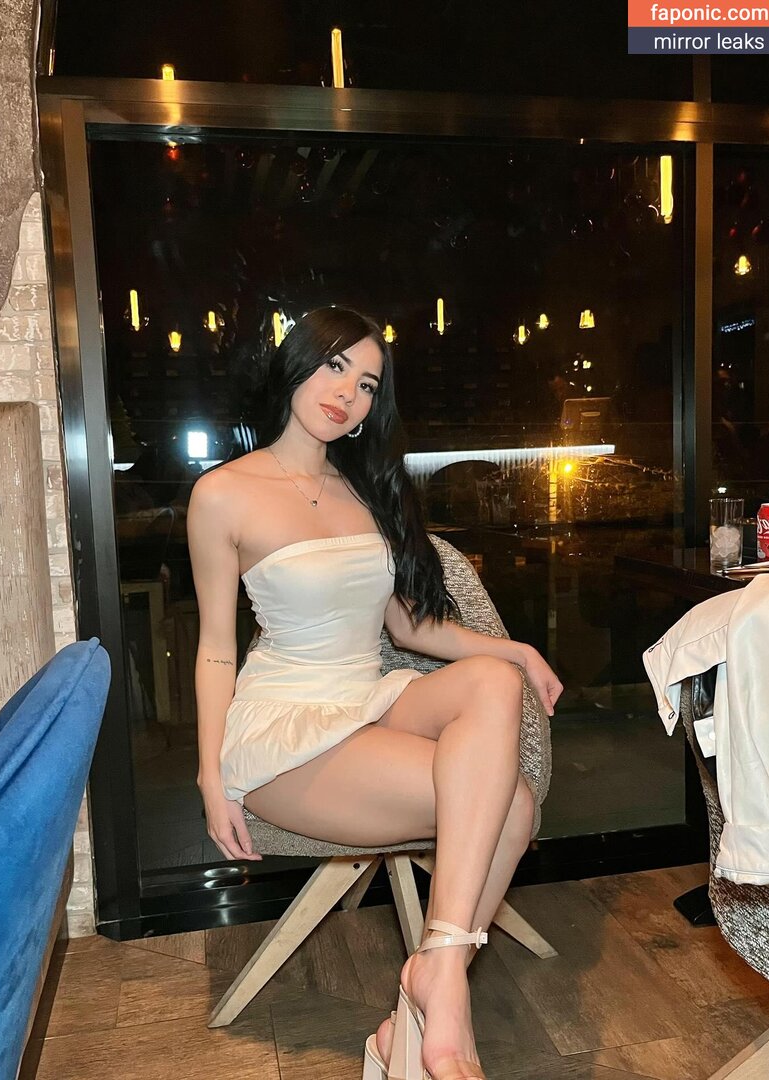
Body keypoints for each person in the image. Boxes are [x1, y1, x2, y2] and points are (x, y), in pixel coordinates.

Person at [187, 306, 563, 1080]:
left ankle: (428, 986)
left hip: (369, 694)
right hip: (285, 724)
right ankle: (435, 993)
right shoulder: (222, 494)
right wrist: (207, 774)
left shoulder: (364, 491)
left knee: (494, 680)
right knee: (514, 809)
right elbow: (217, 649)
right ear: (296, 364)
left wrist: (516, 649)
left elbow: (407, 625)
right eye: (334, 367)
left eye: (365, 384)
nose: (346, 394)